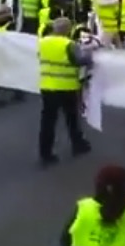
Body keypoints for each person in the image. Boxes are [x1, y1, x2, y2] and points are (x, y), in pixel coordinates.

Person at [38, 17, 92, 165]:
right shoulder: (69, 44)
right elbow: (80, 60)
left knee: (47, 121)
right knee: (72, 118)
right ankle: (77, 144)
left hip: (47, 86)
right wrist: (89, 55)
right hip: (66, 87)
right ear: (68, 30)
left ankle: (45, 152)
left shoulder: (43, 42)